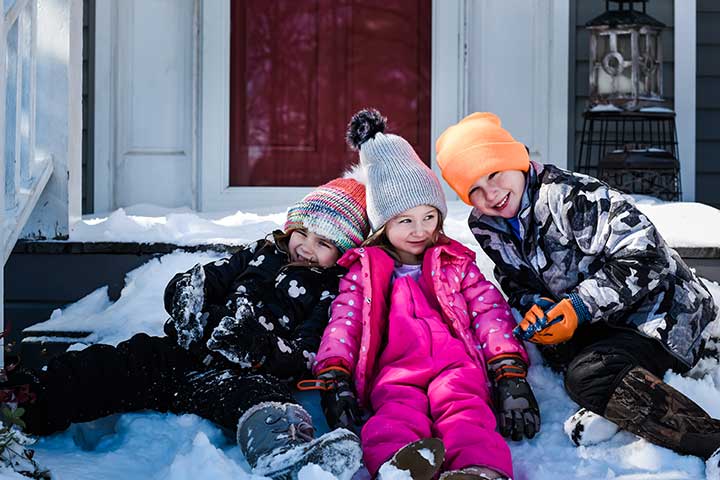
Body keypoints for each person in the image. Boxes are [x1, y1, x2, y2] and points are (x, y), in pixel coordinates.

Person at [0, 177, 371, 480]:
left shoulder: (329, 292)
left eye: (323, 244)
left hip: (240, 375)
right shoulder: (260, 253)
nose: (306, 248)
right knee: (121, 361)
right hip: (184, 353)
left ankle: (286, 454)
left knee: (264, 400)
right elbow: (212, 279)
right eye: (302, 233)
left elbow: (307, 352)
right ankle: (30, 398)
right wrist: (187, 296)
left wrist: (257, 346)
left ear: (343, 252)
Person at [435, 112, 720, 464]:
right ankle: (618, 409)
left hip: (662, 315)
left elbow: (647, 257)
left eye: (494, 174)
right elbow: (514, 277)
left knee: (588, 375)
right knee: (557, 354)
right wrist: (536, 304)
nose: (489, 193)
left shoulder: (570, 197)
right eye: (474, 189)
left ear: (516, 161)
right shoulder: (488, 225)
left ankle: (709, 440)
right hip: (605, 324)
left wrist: (578, 306)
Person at [301, 110, 539, 480]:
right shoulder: (363, 272)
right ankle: (399, 469)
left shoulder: (454, 262)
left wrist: (509, 371)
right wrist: (335, 375)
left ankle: (478, 471)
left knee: (467, 415)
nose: (420, 230)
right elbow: (343, 322)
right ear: (383, 226)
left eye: (429, 217)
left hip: (456, 366)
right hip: (395, 372)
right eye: (405, 221)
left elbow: (489, 313)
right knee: (393, 418)